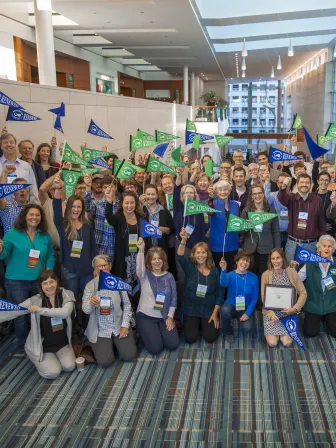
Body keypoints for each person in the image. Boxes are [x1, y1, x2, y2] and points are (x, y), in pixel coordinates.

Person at [0, 269, 76, 378]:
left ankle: (52, 359)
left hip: (62, 343)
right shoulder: (34, 300)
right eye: (45, 283)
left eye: (51, 282)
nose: (49, 286)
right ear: (40, 286)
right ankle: (36, 356)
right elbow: (14, 311)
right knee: (53, 373)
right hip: (43, 346)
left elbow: (65, 312)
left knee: (69, 366)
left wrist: (40, 310)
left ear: (56, 282)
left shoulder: (67, 294)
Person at [0, 204, 55, 348]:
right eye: (31, 214)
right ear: (24, 216)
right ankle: (24, 344)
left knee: (40, 312)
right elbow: (3, 254)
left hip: (39, 281)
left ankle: (41, 340)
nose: (34, 217)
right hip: (16, 282)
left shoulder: (44, 235)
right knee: (21, 316)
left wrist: (48, 272)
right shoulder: (12, 234)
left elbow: (50, 254)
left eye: (37, 215)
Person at [82, 255, 136, 366]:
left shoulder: (118, 282)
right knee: (105, 362)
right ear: (95, 269)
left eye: (105, 265)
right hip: (100, 330)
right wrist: (91, 304)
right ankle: (107, 346)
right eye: (99, 266)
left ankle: (116, 344)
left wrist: (125, 325)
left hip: (118, 325)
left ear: (110, 266)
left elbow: (127, 305)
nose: (102, 268)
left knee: (129, 356)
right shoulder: (90, 286)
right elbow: (86, 310)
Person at [177, 231, 224, 344]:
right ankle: (197, 324)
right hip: (192, 309)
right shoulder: (190, 268)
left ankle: (203, 324)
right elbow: (179, 256)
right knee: (191, 338)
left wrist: (214, 314)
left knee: (210, 337)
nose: (201, 255)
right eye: (198, 252)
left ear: (207, 254)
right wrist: (183, 240)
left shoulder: (215, 271)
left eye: (203, 252)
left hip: (209, 310)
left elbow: (220, 293)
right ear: (193, 254)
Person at [135, 238, 179, 355]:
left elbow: (174, 299)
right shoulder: (144, 276)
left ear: (164, 261)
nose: (157, 261)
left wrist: (170, 316)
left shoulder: (169, 277)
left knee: (173, 344)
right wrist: (141, 251)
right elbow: (139, 269)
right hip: (146, 316)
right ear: (149, 261)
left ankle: (157, 333)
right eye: (153, 259)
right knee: (156, 349)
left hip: (163, 316)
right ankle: (145, 332)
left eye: (159, 258)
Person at [105, 187, 143, 306]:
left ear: (135, 203)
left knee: (137, 291)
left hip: (137, 260)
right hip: (123, 260)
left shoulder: (141, 217)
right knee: (123, 293)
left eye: (132, 202)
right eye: (126, 202)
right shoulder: (118, 217)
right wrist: (109, 201)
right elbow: (109, 218)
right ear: (122, 203)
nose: (129, 205)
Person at [261, 249, 306, 347]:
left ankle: (283, 334)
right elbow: (264, 298)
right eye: (273, 258)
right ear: (270, 260)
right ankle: (275, 334)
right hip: (271, 312)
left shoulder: (292, 272)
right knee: (272, 343)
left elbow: (303, 293)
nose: (275, 261)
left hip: (288, 312)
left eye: (278, 258)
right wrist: (271, 315)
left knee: (287, 343)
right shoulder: (265, 275)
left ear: (283, 259)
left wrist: (294, 308)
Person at [278, 173, 326, 262]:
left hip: (311, 245)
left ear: (311, 184)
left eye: (307, 182)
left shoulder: (317, 200)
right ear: (297, 184)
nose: (304, 184)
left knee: (308, 273)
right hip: (292, 244)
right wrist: (284, 185)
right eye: (302, 182)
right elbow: (281, 198)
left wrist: (321, 244)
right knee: (291, 273)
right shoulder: (291, 198)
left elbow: (322, 223)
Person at [298, 235, 336, 338]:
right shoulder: (310, 263)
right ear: (319, 248)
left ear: (333, 249)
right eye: (324, 246)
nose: (327, 248)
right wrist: (291, 268)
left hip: (332, 305)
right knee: (310, 333)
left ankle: (325, 318)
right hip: (313, 305)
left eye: (329, 246)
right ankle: (322, 318)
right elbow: (297, 280)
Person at [241, 184, 281, 281]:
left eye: (259, 193)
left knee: (264, 278)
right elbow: (241, 231)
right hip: (250, 250)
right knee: (250, 278)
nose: (257, 196)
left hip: (267, 250)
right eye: (254, 194)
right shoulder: (246, 210)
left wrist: (277, 250)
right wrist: (246, 226)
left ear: (263, 194)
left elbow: (276, 231)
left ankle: (262, 296)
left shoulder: (271, 210)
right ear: (251, 196)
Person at [219, 251, 258, 344]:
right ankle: (228, 332)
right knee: (224, 311)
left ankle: (242, 318)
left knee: (247, 328)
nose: (245, 263)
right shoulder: (230, 275)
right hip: (231, 305)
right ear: (237, 261)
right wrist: (223, 270)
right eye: (243, 260)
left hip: (245, 307)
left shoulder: (254, 277)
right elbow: (223, 283)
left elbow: (254, 298)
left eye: (248, 261)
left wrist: (248, 313)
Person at [208, 180, 240, 271]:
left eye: (226, 189)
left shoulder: (235, 205)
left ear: (229, 191)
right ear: (217, 192)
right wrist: (210, 199)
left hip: (232, 244)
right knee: (219, 272)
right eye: (220, 190)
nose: (223, 192)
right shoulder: (212, 204)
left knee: (231, 271)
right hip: (217, 245)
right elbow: (209, 212)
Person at [0, 133, 39, 203]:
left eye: (11, 142)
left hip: (23, 210)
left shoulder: (26, 166)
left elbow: (33, 191)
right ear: (1, 146)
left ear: (15, 145)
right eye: (5, 142)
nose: (9, 144)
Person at [142, 184, 174, 256]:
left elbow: (172, 229)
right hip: (145, 250)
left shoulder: (164, 211)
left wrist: (165, 229)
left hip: (161, 250)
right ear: (145, 195)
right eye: (148, 194)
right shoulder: (140, 210)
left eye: (153, 194)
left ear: (157, 195)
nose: (150, 197)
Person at [264, 172, 291, 250]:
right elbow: (266, 201)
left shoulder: (293, 196)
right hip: (276, 233)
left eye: (285, 182)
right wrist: (267, 181)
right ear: (277, 183)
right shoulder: (272, 195)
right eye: (280, 182)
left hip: (290, 234)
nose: (283, 184)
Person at [0, 167, 29, 234]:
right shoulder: (7, 206)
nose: (22, 190)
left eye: (24, 188)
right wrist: (5, 173)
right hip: (11, 243)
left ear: (28, 190)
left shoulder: (32, 207)